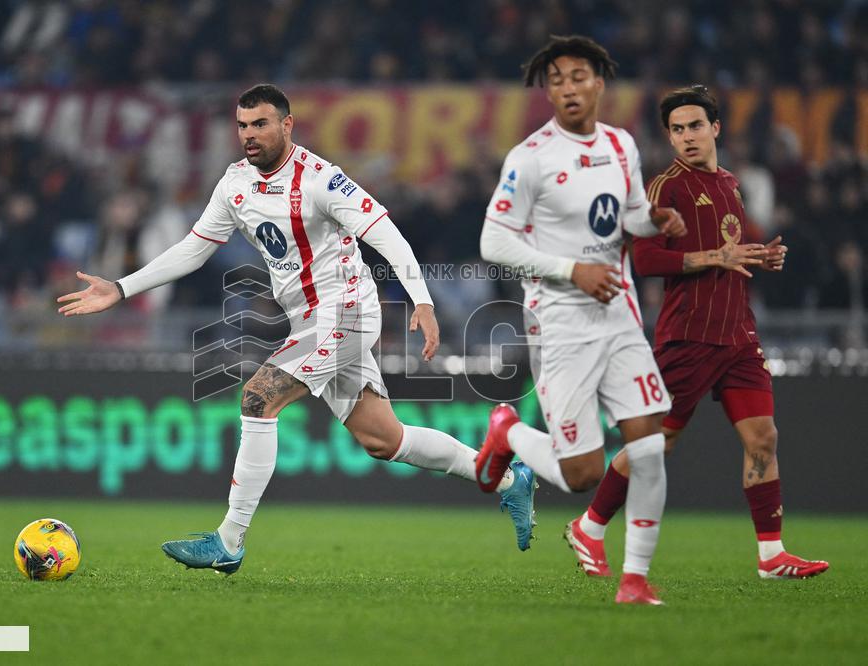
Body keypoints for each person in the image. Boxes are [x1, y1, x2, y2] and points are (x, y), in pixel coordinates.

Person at [57, 84, 537, 573]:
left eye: (261, 124)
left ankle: (229, 541)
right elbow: (195, 247)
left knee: (257, 398)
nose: (250, 134)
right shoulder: (235, 183)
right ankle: (507, 480)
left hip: (347, 312)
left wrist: (423, 299)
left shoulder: (320, 179)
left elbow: (384, 232)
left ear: (287, 125)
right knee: (383, 440)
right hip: (310, 321)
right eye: (243, 125)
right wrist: (120, 287)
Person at [569, 85, 828, 580]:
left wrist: (764, 256)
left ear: (716, 128)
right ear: (669, 137)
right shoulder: (666, 186)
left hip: (738, 336)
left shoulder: (731, 183)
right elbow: (644, 259)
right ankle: (590, 525)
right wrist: (716, 258)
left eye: (694, 126)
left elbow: (735, 247)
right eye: (676, 129)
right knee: (654, 444)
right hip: (690, 335)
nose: (686, 137)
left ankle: (771, 556)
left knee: (763, 437)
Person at [474, 35, 687, 605]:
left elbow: (630, 213)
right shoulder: (530, 156)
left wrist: (654, 220)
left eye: (577, 77)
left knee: (648, 444)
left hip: (618, 314)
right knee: (582, 475)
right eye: (556, 80)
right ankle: (509, 433)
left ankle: (635, 581)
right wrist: (571, 270)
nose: (566, 88)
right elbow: (494, 241)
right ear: (547, 90)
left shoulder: (620, 145)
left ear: (599, 82)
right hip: (560, 321)